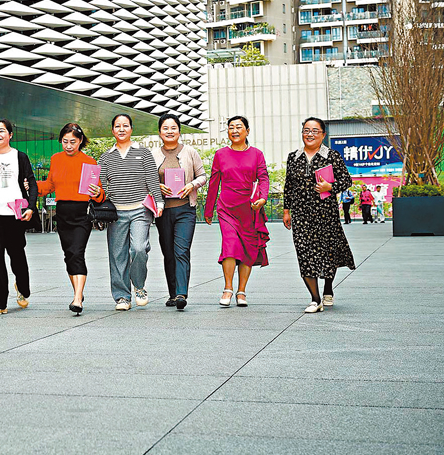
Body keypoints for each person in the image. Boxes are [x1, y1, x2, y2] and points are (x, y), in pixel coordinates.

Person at [283, 118, 356, 312]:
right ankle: (315, 299)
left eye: (315, 131)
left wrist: (330, 187)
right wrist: (286, 210)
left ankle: (328, 288)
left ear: (323, 134)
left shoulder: (331, 155)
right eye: (306, 130)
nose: (310, 134)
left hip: (326, 214)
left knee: (327, 253)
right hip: (301, 215)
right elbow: (288, 186)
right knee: (304, 254)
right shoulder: (294, 157)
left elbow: (346, 180)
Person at [36, 123, 104, 315]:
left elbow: (98, 194)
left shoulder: (89, 161)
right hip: (63, 211)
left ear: (80, 141)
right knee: (68, 255)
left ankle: (77, 298)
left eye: (72, 142)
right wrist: (32, 186)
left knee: (77, 252)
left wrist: (98, 193)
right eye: (64, 141)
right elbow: (49, 185)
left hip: (81, 213)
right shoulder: (56, 159)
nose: (68, 145)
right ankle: (78, 294)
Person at [99, 113, 163, 311]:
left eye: (125, 125)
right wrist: (94, 192)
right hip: (116, 213)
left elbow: (153, 179)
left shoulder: (143, 153)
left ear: (131, 129)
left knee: (138, 248)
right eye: (117, 126)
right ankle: (122, 297)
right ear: (112, 130)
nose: (121, 129)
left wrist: (159, 202)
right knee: (117, 255)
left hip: (140, 209)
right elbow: (100, 186)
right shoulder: (106, 157)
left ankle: (140, 286)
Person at [204, 116, 270, 308]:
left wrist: (263, 198)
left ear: (247, 131)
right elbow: (214, 182)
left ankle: (241, 291)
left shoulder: (257, 154)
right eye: (231, 127)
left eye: (239, 127)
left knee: (248, 250)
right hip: (226, 208)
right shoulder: (220, 154)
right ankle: (227, 288)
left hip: (249, 209)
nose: (234, 130)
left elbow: (263, 178)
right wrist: (209, 210)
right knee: (230, 245)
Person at [0, 118, 38, 316]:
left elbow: (31, 182)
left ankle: (23, 287)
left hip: (14, 213)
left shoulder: (19, 157)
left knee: (17, 255)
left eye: (2, 130)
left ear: (10, 135)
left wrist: (30, 206)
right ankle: (0, 302)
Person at [152, 114, 208, 311]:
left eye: (173, 128)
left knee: (181, 250)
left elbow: (203, 176)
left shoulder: (190, 152)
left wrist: (191, 185)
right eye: (165, 128)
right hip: (163, 211)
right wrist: (158, 186)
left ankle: (182, 294)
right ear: (159, 132)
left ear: (179, 131)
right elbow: (147, 181)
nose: (169, 131)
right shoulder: (153, 155)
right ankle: (172, 293)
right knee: (168, 252)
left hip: (185, 209)